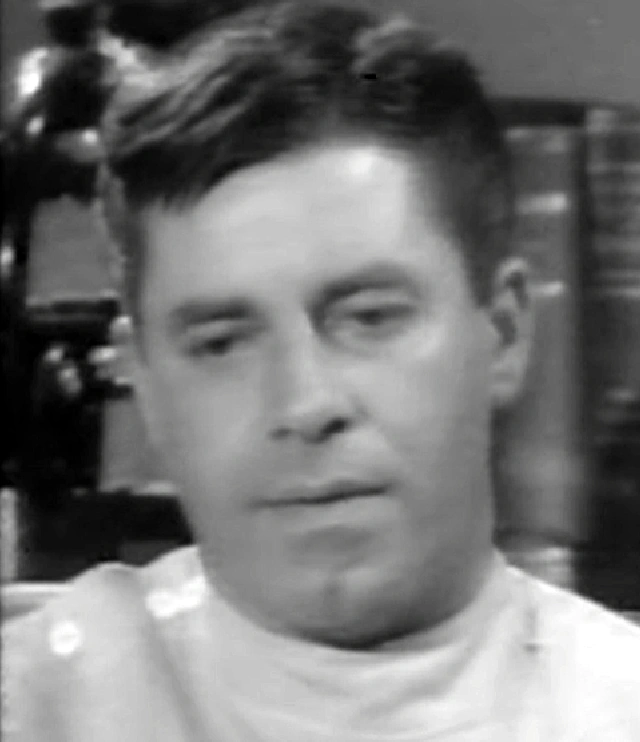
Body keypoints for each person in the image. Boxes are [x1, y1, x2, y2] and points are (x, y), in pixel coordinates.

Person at [2, 2, 640, 740]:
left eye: (369, 318)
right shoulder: (37, 704)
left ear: (503, 331)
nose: (305, 403)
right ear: (143, 380)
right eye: (221, 344)